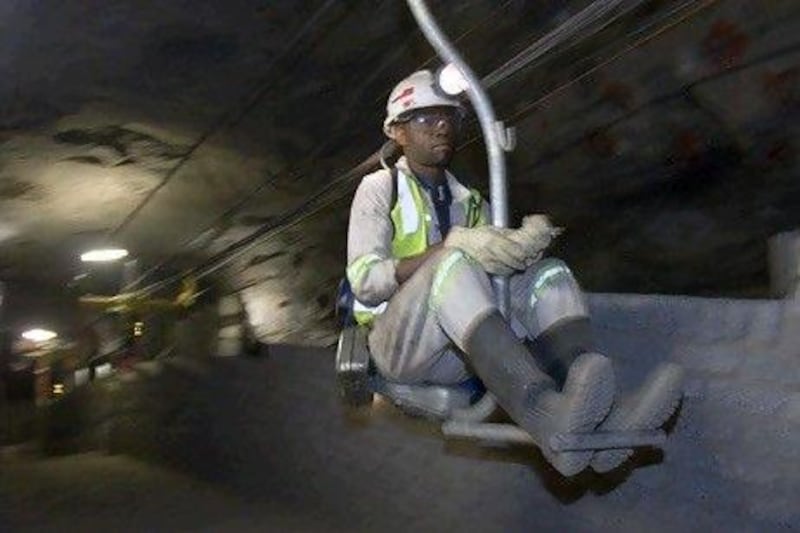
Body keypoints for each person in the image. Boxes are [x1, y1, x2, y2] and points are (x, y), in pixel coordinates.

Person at [346, 70, 682, 476]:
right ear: (397, 132)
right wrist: (451, 245)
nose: (440, 126)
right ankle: (542, 410)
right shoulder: (380, 188)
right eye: (424, 118)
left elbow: (492, 272)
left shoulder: (468, 200)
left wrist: (520, 247)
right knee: (451, 263)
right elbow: (365, 279)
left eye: (447, 117)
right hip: (398, 344)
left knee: (548, 274)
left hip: (459, 349)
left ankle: (599, 416)